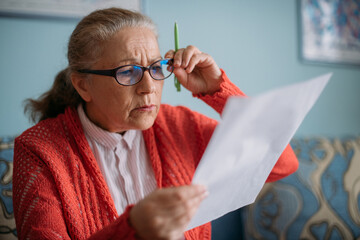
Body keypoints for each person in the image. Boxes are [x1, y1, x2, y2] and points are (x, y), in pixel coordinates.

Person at [13, 7, 298, 240]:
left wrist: (216, 91)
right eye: (127, 72)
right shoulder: (38, 150)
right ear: (82, 85)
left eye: (156, 68)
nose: (149, 87)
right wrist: (133, 228)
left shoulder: (181, 126)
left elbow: (282, 164)